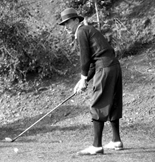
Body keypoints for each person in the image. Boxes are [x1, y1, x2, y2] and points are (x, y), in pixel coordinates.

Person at [59, 8, 124, 155]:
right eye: (64, 24)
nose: (66, 26)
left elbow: (86, 58)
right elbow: (94, 61)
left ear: (77, 20)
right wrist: (85, 79)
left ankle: (96, 146)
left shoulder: (82, 31)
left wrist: (83, 78)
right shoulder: (88, 30)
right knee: (113, 102)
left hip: (105, 68)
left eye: (68, 22)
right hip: (113, 66)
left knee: (98, 103)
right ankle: (116, 140)